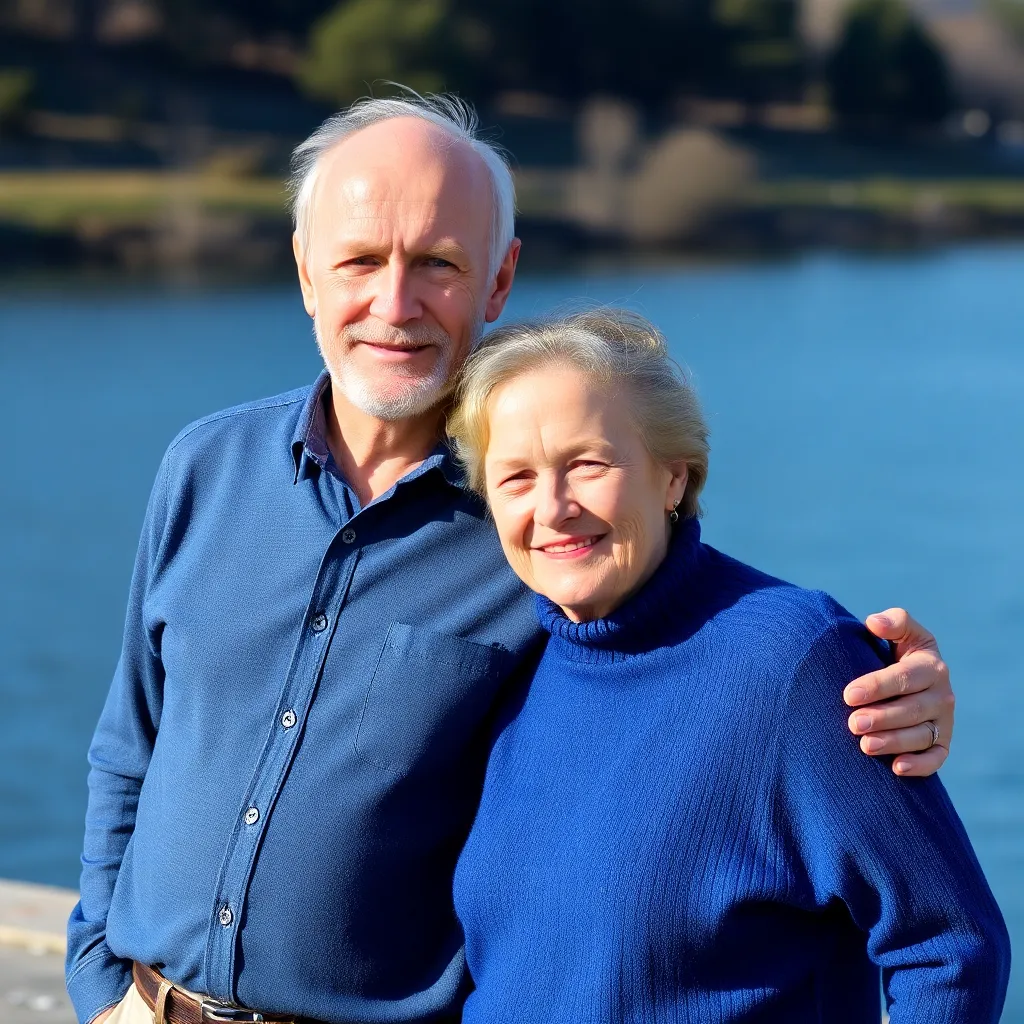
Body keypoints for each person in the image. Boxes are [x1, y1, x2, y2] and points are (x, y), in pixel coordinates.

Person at [67, 94, 957, 1024]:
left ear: (499, 281)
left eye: (439, 265)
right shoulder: (203, 466)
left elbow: (717, 655)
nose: (395, 304)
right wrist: (97, 976)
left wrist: (884, 690)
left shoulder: (544, 529)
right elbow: (132, 741)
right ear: (306, 274)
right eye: (360, 261)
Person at [448, 309, 1010, 1023]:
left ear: (673, 475)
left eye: (587, 463)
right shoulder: (515, 666)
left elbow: (950, 947)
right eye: (517, 478)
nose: (553, 507)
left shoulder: (792, 659)